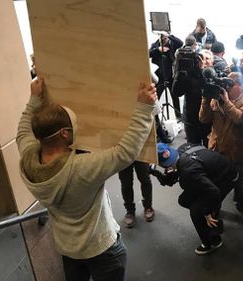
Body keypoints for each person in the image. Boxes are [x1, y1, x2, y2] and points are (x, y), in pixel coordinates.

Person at [17, 77, 156, 280]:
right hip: (102, 249)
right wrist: (143, 108)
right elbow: (124, 153)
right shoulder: (81, 168)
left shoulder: (28, 157)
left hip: (67, 249)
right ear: (65, 134)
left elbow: (22, 132)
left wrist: (34, 100)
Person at [157, 142, 239, 255]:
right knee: (184, 200)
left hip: (226, 177)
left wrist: (207, 213)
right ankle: (213, 217)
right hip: (211, 173)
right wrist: (155, 172)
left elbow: (213, 192)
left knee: (196, 211)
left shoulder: (189, 172)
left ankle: (211, 242)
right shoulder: (182, 150)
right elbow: (172, 179)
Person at [199, 72, 243, 219]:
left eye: (231, 84)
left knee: (239, 181)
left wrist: (227, 102)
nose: (225, 88)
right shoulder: (216, 100)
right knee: (215, 182)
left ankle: (240, 204)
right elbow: (203, 119)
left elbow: (240, 120)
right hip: (217, 148)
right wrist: (205, 99)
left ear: (240, 86)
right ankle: (215, 207)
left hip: (237, 150)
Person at [172, 36, 211, 147]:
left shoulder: (213, 74)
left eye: (207, 59)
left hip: (207, 120)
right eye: (202, 58)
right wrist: (179, 71)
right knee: (193, 151)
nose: (204, 61)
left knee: (208, 150)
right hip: (191, 119)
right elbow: (177, 92)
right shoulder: (188, 74)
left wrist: (200, 71)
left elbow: (206, 89)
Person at [148, 31, 183, 118]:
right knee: (156, 97)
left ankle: (178, 115)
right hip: (160, 77)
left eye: (166, 37)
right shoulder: (155, 45)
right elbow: (148, 53)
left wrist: (169, 36)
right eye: (163, 37)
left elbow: (180, 43)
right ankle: (155, 118)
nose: (164, 39)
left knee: (175, 96)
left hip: (171, 76)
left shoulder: (172, 44)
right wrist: (158, 50)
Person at [118, 161, 155, 228]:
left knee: (145, 179)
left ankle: (148, 206)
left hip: (141, 153)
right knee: (126, 184)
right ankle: (130, 211)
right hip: (123, 153)